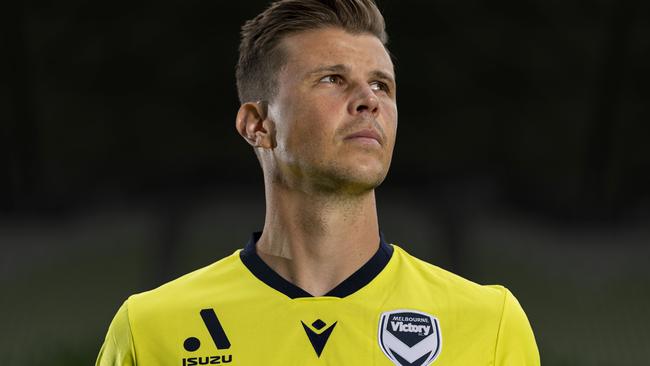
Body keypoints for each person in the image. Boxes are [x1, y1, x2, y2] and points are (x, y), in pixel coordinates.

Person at [96, 0, 540, 365]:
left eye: (382, 86)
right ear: (258, 125)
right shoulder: (151, 329)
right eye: (332, 79)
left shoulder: (488, 324)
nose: (368, 101)